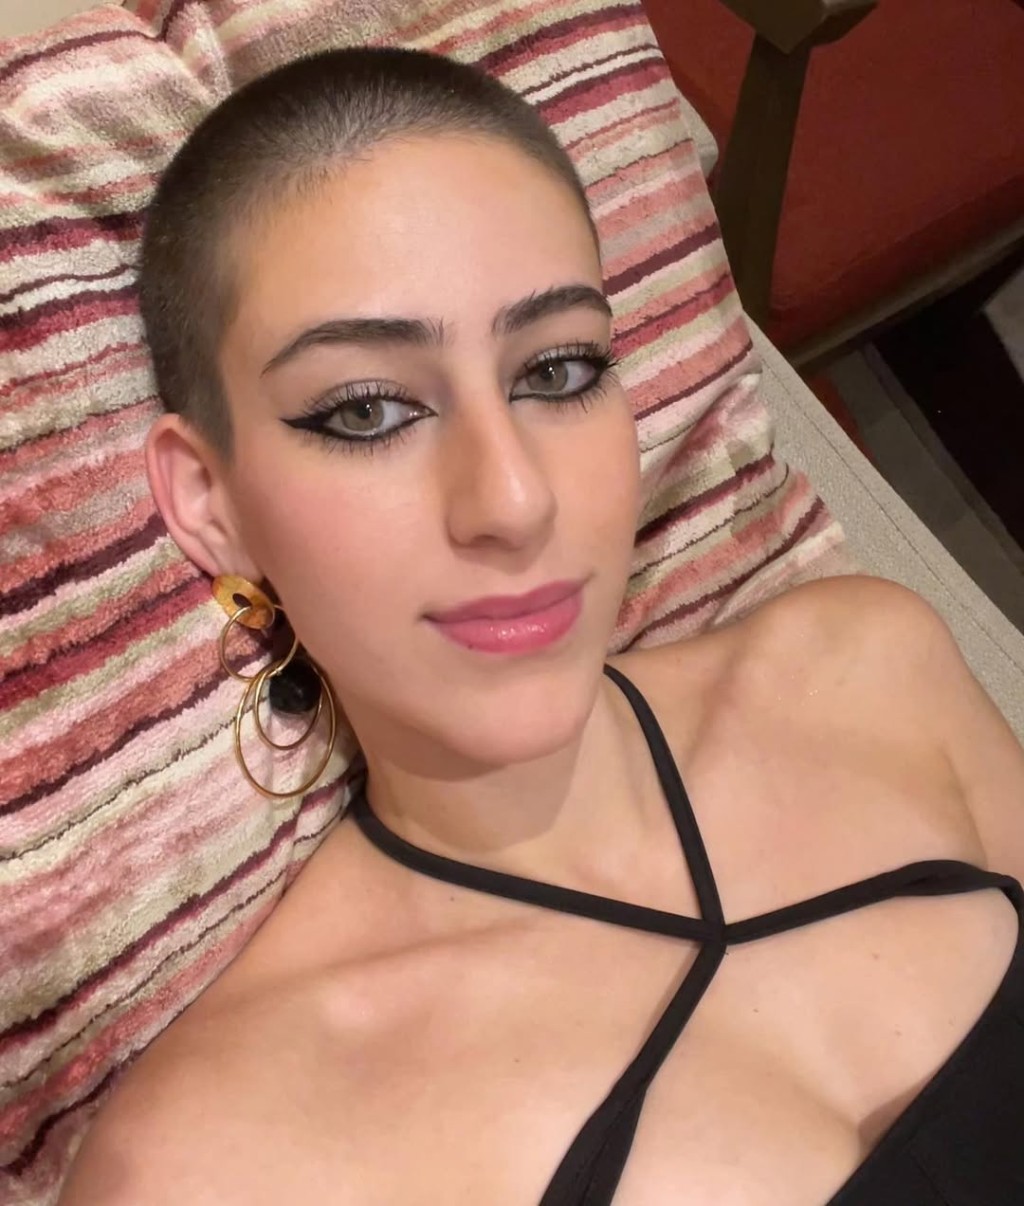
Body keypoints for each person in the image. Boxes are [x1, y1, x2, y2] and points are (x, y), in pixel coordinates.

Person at [59, 47, 1024, 1206]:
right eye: (365, 410)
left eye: (558, 371)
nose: (514, 500)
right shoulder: (217, 1166)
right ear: (210, 503)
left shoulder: (872, 664)